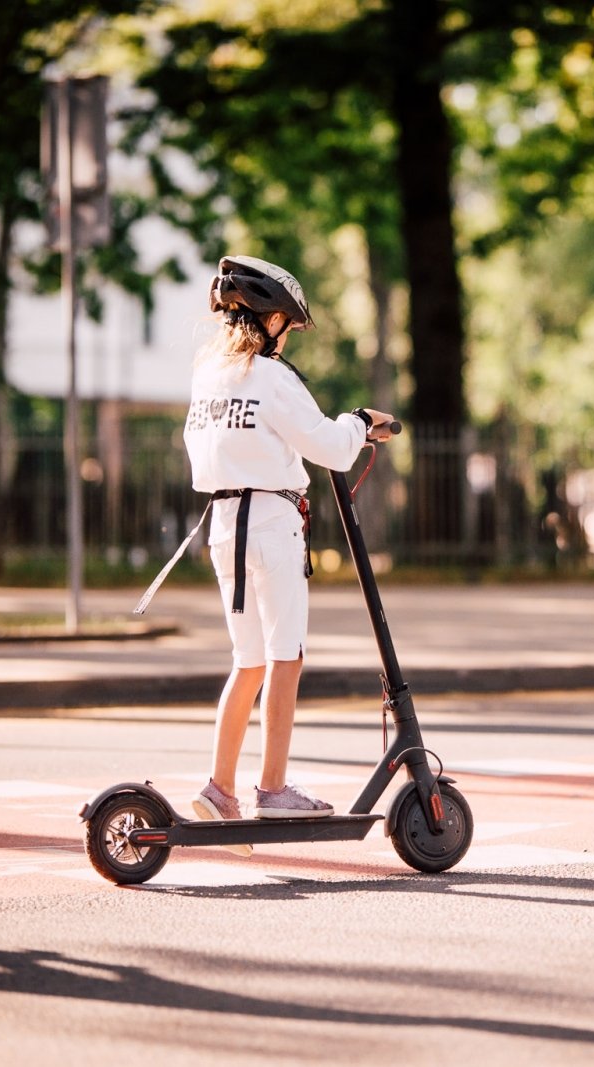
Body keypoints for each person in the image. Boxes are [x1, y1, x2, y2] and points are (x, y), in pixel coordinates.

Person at [183, 254, 395, 854]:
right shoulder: (273, 379)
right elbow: (329, 446)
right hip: (272, 525)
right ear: (270, 319)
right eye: (287, 323)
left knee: (246, 659)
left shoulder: (210, 378)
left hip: (223, 525)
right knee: (286, 655)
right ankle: (272, 787)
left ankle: (220, 787)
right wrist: (361, 422)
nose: (288, 334)